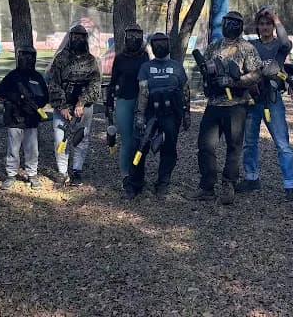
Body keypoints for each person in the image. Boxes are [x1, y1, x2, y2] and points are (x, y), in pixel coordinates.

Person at [190, 11, 262, 205]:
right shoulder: (213, 47)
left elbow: (256, 74)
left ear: (240, 26)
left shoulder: (247, 48)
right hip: (213, 104)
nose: (230, 26)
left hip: (236, 105)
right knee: (205, 146)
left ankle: (228, 183)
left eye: (234, 23)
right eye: (227, 22)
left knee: (234, 147)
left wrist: (235, 81)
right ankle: (207, 186)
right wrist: (207, 84)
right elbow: (203, 70)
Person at [236, 6, 293, 200]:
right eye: (261, 24)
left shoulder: (279, 46)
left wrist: (276, 19)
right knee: (250, 142)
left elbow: (286, 41)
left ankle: (290, 185)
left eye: (268, 24)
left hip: (272, 98)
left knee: (282, 143)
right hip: (253, 98)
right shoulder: (251, 45)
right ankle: (251, 178)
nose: (265, 27)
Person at [123, 32, 190, 200]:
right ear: (152, 45)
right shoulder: (146, 67)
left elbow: (185, 91)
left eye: (163, 42)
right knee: (139, 147)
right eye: (157, 42)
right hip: (149, 113)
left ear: (168, 44)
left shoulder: (177, 66)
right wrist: (139, 116)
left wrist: (186, 113)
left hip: (171, 114)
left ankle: (163, 183)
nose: (160, 45)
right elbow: (143, 93)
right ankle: (134, 183)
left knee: (169, 149)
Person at [48, 23, 101, 188]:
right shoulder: (60, 59)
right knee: (60, 139)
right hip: (62, 107)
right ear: (70, 38)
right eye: (74, 36)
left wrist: (82, 103)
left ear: (85, 39)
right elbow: (53, 83)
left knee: (80, 139)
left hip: (83, 108)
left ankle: (77, 171)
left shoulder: (91, 60)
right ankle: (62, 172)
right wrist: (62, 106)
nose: (77, 39)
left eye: (81, 36)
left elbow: (95, 85)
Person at [0, 46, 49, 191]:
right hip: (14, 117)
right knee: (13, 149)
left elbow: (45, 97)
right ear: (19, 57)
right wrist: (15, 98)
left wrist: (36, 104)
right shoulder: (12, 76)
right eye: (24, 56)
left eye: (30, 56)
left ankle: (32, 174)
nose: (27, 59)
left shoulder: (37, 77)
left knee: (32, 149)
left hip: (31, 118)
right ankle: (11, 175)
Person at [107, 24, 150, 180]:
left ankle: (137, 173)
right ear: (125, 38)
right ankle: (125, 175)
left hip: (142, 102)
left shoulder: (145, 57)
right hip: (124, 101)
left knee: (140, 140)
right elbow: (112, 82)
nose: (133, 39)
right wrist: (109, 104)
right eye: (130, 35)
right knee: (126, 140)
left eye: (137, 36)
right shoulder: (120, 58)